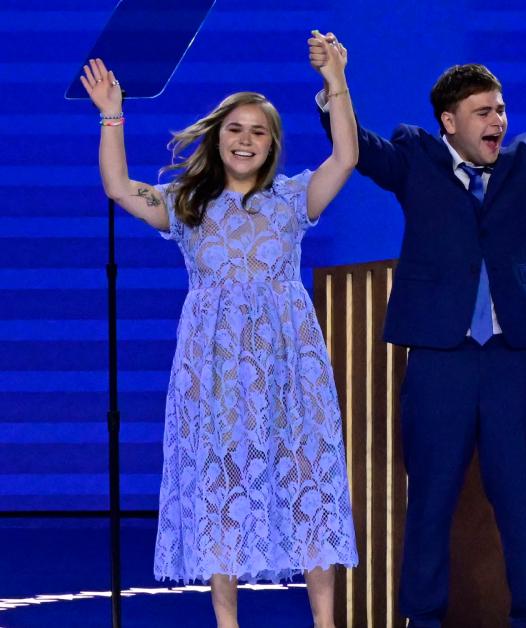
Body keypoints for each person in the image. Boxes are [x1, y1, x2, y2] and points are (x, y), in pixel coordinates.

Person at [309, 32, 526, 628]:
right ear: (449, 121)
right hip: (438, 361)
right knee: (429, 502)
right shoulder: (416, 157)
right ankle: (422, 620)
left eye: (501, 109)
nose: (498, 120)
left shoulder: (525, 161)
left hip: (509, 362)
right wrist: (335, 84)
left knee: (520, 502)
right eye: (483, 112)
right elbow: (359, 149)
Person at [79, 32, 359, 628]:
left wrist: (335, 81)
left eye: (259, 132)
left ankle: (326, 622)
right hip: (216, 370)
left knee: (307, 477)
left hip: (291, 367)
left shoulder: (291, 199)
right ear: (217, 137)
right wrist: (112, 116)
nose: (246, 140)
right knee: (220, 486)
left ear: (272, 146)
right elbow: (118, 188)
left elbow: (346, 158)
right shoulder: (188, 204)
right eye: (236, 129)